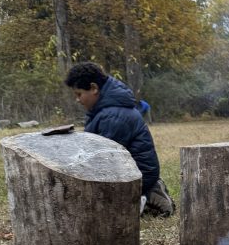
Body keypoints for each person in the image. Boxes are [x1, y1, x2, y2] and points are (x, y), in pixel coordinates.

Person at [65, 61, 175, 216]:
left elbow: (103, 159)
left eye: (79, 94)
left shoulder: (113, 115)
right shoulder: (104, 110)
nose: (77, 99)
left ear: (94, 88)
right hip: (132, 171)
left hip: (140, 175)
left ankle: (149, 194)